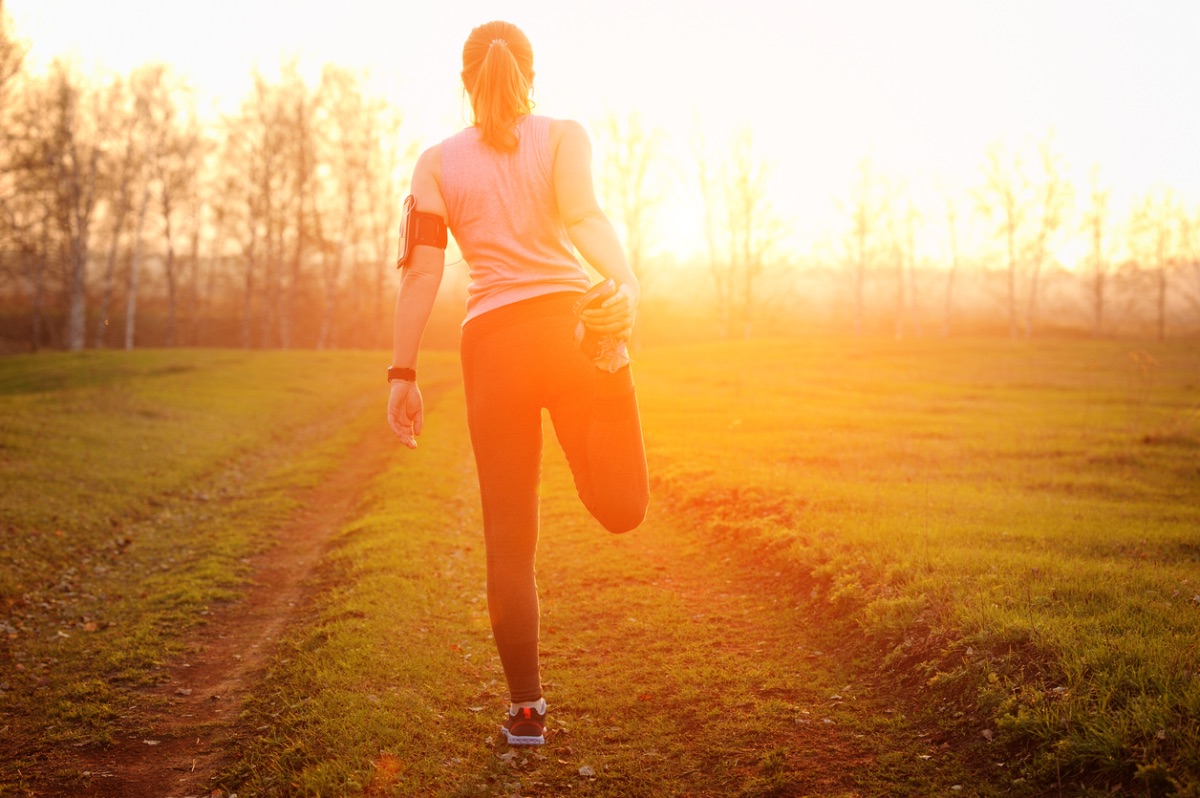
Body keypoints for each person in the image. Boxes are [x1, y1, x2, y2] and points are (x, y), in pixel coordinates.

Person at [386, 19, 650, 747]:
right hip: (572, 333)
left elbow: (422, 274)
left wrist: (402, 373)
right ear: (531, 74)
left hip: (493, 346)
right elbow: (584, 216)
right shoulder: (565, 135)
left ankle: (526, 712)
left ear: (464, 81)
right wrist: (624, 285)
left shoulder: (436, 162)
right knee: (622, 508)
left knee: (509, 540)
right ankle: (616, 364)